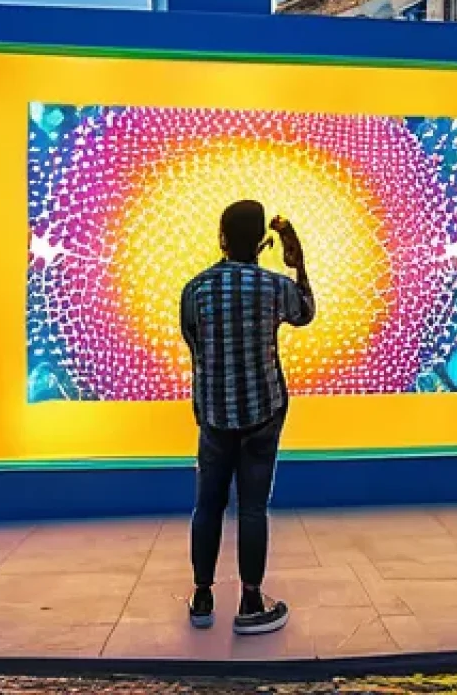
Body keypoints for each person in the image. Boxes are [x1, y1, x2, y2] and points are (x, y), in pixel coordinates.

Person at [180, 202, 315, 636]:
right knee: (253, 509)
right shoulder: (273, 286)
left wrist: (205, 406)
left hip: (214, 416)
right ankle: (251, 602)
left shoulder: (195, 289)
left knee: (208, 506)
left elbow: (194, 346)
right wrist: (298, 259)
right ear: (262, 241)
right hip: (263, 413)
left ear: (221, 236)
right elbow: (305, 312)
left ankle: (202, 597)